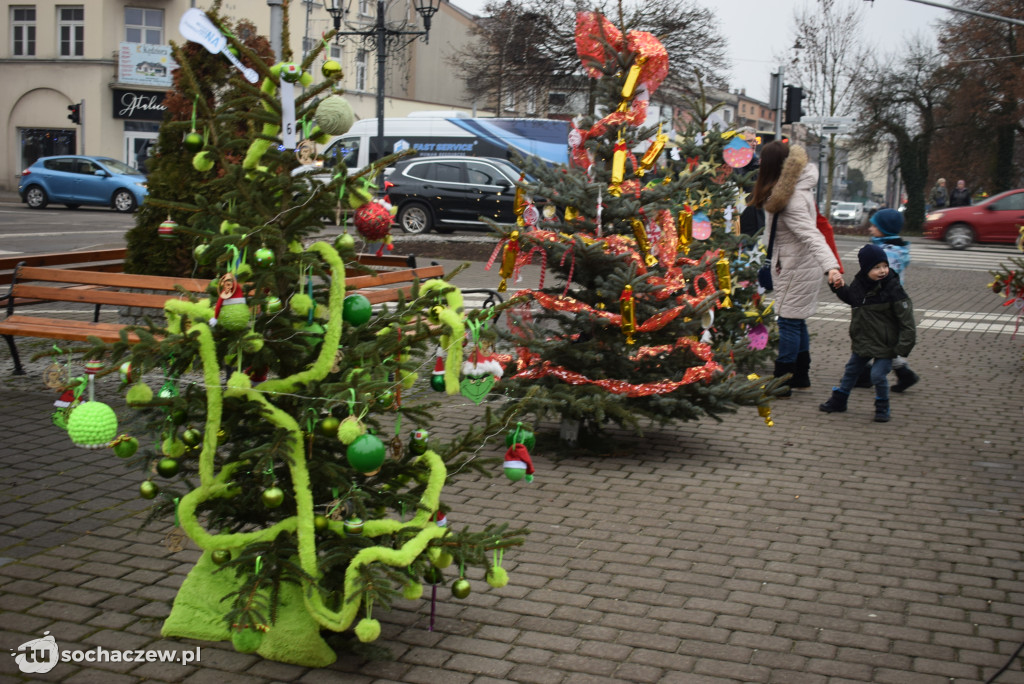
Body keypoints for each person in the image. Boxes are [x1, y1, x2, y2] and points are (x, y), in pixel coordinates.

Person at [751, 141, 843, 394]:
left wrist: (831, 268)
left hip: (795, 268)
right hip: (797, 265)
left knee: (789, 322)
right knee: (797, 321)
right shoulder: (794, 189)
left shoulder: (788, 199)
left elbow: (812, 235)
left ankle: (782, 381)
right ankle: (800, 375)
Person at [819, 244, 916, 422]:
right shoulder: (860, 284)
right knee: (851, 371)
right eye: (876, 267)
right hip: (863, 340)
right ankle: (839, 401)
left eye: (884, 266)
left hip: (886, 345)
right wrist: (839, 287)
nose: (882, 271)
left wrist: (903, 346)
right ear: (865, 269)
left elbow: (907, 320)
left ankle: (882, 407)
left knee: (877, 375)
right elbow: (851, 298)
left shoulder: (893, 288)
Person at [854, 209, 919, 391]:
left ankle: (865, 374)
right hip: (889, 301)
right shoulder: (896, 250)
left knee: (874, 338)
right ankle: (903, 374)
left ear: (885, 229)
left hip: (881, 303)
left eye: (874, 226)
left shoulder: (887, 253)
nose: (870, 228)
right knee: (883, 340)